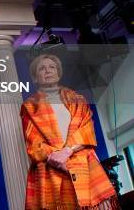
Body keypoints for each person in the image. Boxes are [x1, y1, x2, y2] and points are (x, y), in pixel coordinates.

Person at [20, 53, 119, 210]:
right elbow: (35, 145)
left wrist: (67, 151)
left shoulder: (78, 99)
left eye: (52, 67)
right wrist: (58, 160)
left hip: (85, 165)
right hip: (51, 170)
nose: (48, 71)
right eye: (42, 68)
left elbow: (87, 130)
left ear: (58, 73)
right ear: (35, 77)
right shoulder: (30, 107)